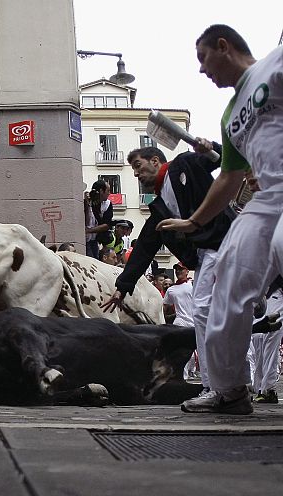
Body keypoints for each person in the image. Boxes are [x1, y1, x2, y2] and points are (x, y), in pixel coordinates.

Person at [156, 24, 283, 415]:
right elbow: (228, 178)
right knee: (224, 283)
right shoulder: (230, 116)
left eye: (203, 58)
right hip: (266, 199)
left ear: (223, 47)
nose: (201, 70)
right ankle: (229, 391)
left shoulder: (275, 65)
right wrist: (193, 222)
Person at [101, 144, 232, 400]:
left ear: (155, 161)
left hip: (226, 243)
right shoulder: (160, 208)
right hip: (208, 255)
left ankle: (219, 387)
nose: (136, 174)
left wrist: (210, 147)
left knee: (209, 311)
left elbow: (219, 160)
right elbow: (145, 248)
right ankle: (220, 387)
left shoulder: (184, 164)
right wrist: (122, 286)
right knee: (209, 312)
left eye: (138, 166)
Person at [247, 288, 283, 403]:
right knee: (258, 339)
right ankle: (259, 388)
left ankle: (268, 389)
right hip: (259, 294)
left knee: (270, 340)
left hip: (275, 293)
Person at [84, 180, 113, 259]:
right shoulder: (86, 201)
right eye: (108, 191)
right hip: (84, 240)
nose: (109, 193)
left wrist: (89, 230)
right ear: (101, 191)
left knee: (95, 260)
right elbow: (85, 220)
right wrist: (87, 204)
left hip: (95, 239)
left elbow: (107, 225)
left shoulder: (107, 204)